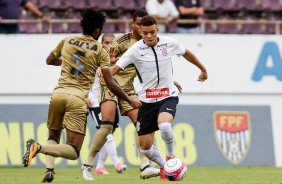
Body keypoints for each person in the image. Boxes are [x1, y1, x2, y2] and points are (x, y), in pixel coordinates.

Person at [21, 7, 141, 183]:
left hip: (58, 95)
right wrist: (130, 99)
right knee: (74, 151)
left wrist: (69, 63)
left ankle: (49, 169)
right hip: (76, 100)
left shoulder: (67, 40)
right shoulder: (100, 50)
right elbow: (111, 83)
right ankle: (37, 147)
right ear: (98, 30)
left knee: (53, 136)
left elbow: (50, 60)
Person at [111, 15, 207, 180]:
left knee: (164, 125)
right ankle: (167, 167)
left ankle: (171, 157)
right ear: (140, 32)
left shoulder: (169, 43)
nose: (149, 36)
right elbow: (115, 69)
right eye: (146, 33)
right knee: (145, 149)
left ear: (158, 30)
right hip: (146, 102)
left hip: (167, 96)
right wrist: (103, 71)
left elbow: (187, 53)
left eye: (152, 32)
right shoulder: (134, 50)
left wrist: (203, 69)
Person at [81, 9, 160, 180]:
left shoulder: (149, 44)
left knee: (143, 124)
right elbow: (108, 54)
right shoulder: (123, 41)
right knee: (107, 125)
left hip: (128, 88)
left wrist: (169, 82)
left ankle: (145, 166)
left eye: (144, 25)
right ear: (133, 24)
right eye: (138, 24)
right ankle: (87, 164)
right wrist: (110, 59)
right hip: (110, 84)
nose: (141, 28)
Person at [88, 33, 127, 175]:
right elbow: (83, 78)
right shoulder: (94, 57)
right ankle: (117, 163)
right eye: (106, 42)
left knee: (108, 133)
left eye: (112, 42)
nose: (109, 45)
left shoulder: (119, 60)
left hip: (111, 99)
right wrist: (84, 95)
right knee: (106, 131)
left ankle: (99, 166)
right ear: (101, 43)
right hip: (95, 100)